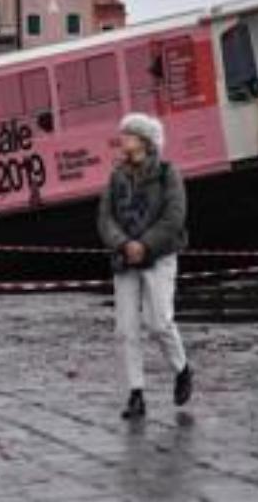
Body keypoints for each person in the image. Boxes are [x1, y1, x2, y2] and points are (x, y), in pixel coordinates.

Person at [98, 113, 192, 419]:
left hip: (160, 256)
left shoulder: (168, 174)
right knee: (125, 329)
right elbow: (105, 218)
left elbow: (174, 217)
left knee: (159, 322)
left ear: (144, 142)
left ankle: (182, 369)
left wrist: (146, 244)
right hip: (125, 258)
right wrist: (124, 244)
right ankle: (136, 394)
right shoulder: (116, 176)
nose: (122, 139)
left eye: (128, 135)